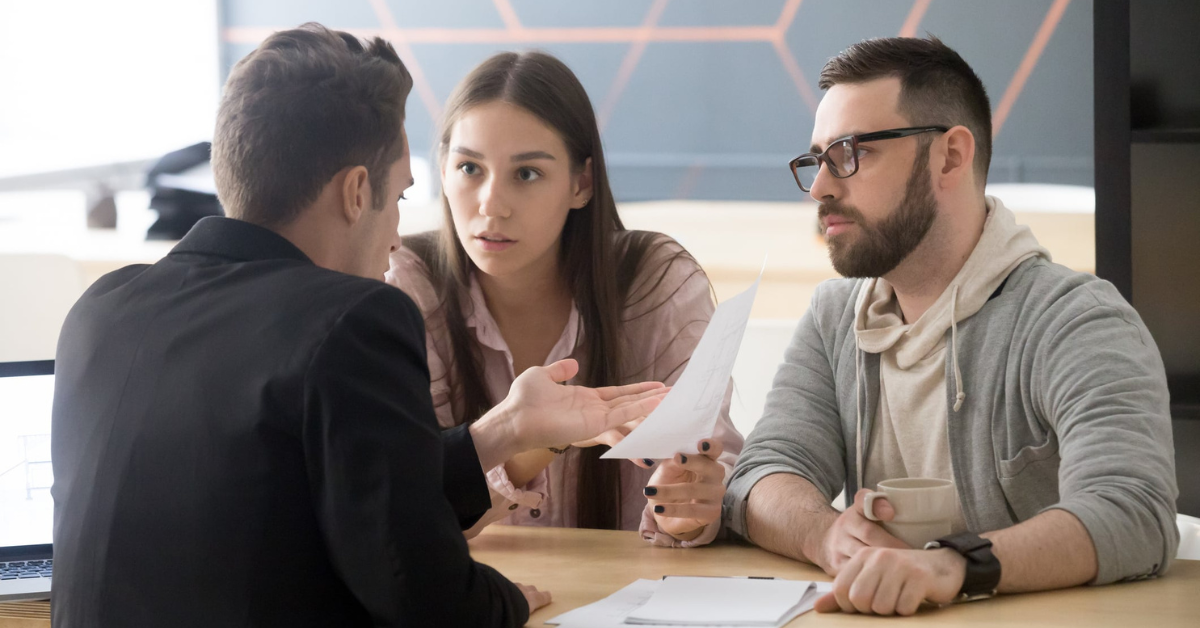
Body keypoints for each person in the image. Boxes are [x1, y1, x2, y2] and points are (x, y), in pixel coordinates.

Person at [50, 24, 667, 628]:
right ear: (353, 194)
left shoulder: (100, 311)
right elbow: (425, 595)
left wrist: (506, 428)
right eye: (397, 198)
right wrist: (507, 602)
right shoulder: (351, 319)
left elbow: (356, 498)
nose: (398, 236)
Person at [724, 36, 1178, 616]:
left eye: (850, 153)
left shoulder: (1077, 320)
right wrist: (827, 535)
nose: (821, 186)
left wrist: (952, 565)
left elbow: (1133, 513)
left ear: (950, 157)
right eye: (817, 159)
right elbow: (761, 474)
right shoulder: (834, 316)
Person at [387, 51, 743, 546]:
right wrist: (531, 439)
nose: (492, 204)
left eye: (527, 174)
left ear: (581, 184)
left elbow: (712, 458)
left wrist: (690, 510)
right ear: (443, 172)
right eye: (469, 168)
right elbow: (399, 505)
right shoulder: (405, 286)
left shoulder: (655, 280)